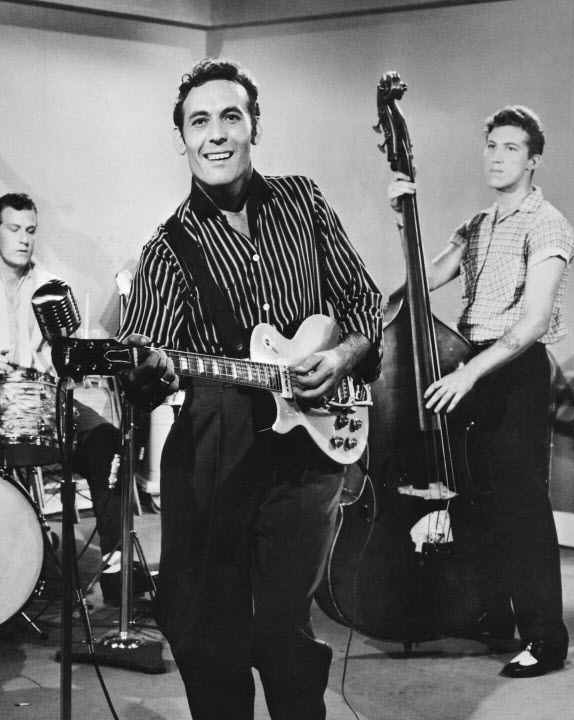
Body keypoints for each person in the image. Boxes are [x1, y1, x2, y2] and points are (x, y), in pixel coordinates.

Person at [119, 58, 382, 719]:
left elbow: (363, 301)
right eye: (199, 121)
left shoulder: (304, 202)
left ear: (254, 126)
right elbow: (144, 368)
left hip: (310, 444)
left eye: (230, 117)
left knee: (284, 624)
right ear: (180, 137)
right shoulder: (167, 248)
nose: (216, 134)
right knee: (207, 627)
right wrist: (147, 371)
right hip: (216, 438)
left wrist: (341, 357)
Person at [386, 105, 574, 678]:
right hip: (470, 363)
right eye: (491, 146)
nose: (497, 157)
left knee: (521, 508)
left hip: (513, 372)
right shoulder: (477, 224)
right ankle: (491, 614)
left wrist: (470, 374)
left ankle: (545, 639)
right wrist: (403, 219)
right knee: (476, 499)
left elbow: (534, 321)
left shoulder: (548, 225)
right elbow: (423, 279)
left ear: (534, 160)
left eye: (511, 148)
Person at [0, 192, 141, 604]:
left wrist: (68, 360)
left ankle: (118, 569)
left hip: (45, 400)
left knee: (107, 442)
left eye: (30, 230)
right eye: (14, 229)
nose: (24, 239)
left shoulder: (51, 288)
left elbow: (71, 362)